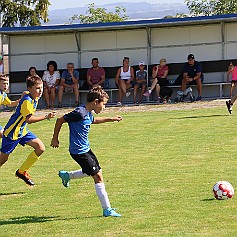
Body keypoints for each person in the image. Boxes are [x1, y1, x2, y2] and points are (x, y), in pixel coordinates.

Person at [50, 86, 122, 217]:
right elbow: (60, 119)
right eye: (103, 104)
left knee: (95, 171)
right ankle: (107, 209)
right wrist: (55, 138)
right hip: (78, 151)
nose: (104, 107)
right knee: (98, 176)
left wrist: (111, 119)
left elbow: (93, 121)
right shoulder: (79, 112)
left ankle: (67, 175)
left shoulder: (88, 113)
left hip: (86, 149)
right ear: (95, 102)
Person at [0, 75, 56, 186]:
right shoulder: (27, 101)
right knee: (3, 159)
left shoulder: (31, 96)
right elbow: (29, 119)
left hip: (22, 130)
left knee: (40, 148)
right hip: (12, 133)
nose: (40, 91)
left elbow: (24, 95)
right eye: (37, 88)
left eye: (41, 88)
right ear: (30, 89)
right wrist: (46, 117)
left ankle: (22, 171)